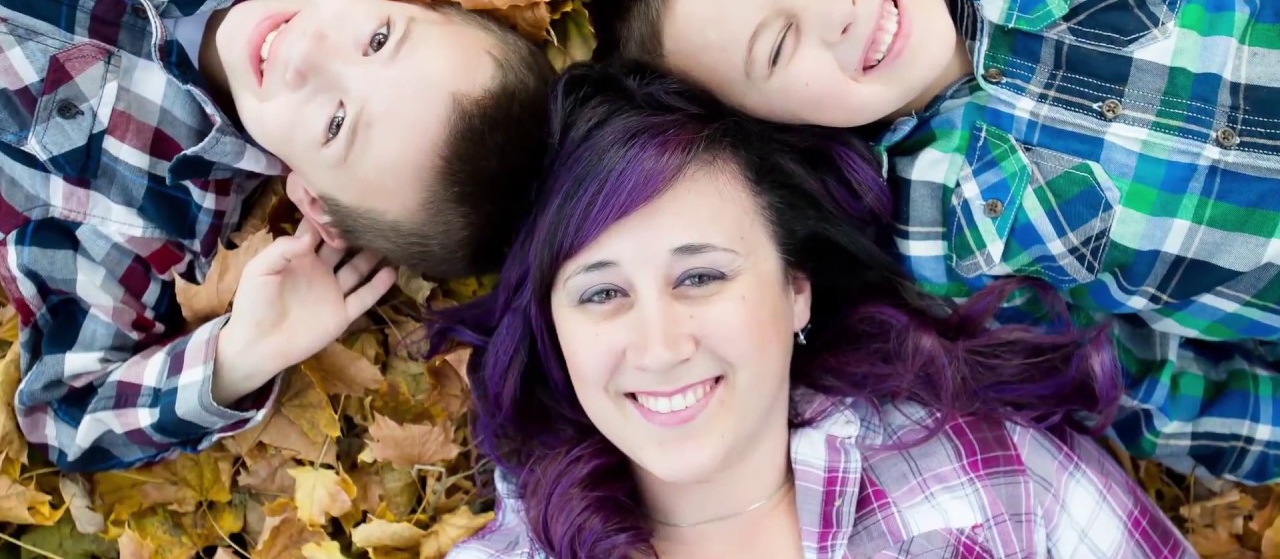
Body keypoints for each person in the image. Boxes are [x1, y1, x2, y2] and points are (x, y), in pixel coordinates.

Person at [588, 0, 1280, 484]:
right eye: (775, 49)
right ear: (760, 121)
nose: (836, 14)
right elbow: (1127, 378)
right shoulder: (926, 242)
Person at [430, 60, 1194, 559]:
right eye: (602, 294)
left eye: (699, 277)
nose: (658, 345)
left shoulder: (994, 476)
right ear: (555, 332)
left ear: (796, 286)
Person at [0, 0, 555, 472]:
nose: (309, 52)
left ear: (313, 199)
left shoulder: (140, 214)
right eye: (378, 39)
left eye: (337, 122)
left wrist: (242, 354)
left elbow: (68, 413)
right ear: (411, 2)